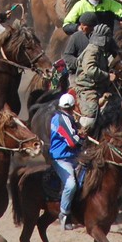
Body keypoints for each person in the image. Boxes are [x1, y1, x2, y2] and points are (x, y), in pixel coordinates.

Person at [49, 93, 82, 228]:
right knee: (71, 185)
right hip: (62, 159)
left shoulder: (65, 117)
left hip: (72, 156)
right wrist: (83, 137)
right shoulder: (62, 120)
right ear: (73, 106)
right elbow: (72, 142)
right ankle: (64, 214)